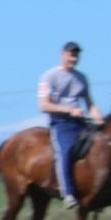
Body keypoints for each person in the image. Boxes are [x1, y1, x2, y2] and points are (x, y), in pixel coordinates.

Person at [37, 39, 101, 210]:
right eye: (71, 54)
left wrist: (99, 119)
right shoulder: (49, 76)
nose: (74, 58)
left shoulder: (82, 78)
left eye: (76, 54)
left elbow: (90, 103)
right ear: (63, 54)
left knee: (101, 147)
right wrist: (68, 110)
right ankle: (68, 193)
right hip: (61, 122)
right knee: (65, 150)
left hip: (79, 121)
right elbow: (43, 105)